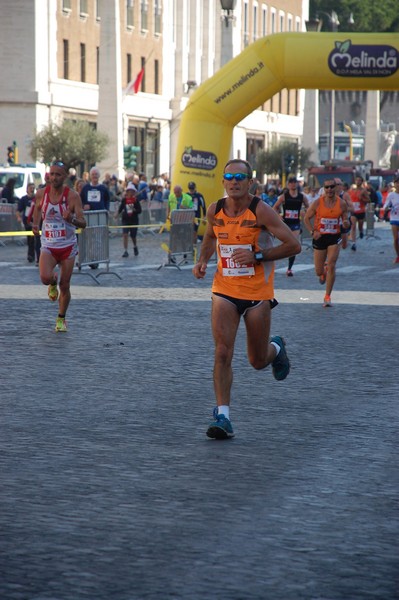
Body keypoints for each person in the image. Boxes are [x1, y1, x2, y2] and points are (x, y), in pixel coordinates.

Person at [193, 159, 301, 439]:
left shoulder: (261, 210)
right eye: (229, 176)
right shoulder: (215, 208)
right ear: (223, 181)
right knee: (222, 351)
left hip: (257, 294)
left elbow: (294, 245)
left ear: (250, 182)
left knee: (256, 360)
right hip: (225, 289)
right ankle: (223, 417)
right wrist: (202, 260)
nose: (234, 181)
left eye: (240, 177)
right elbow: (208, 236)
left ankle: (276, 349)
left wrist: (257, 256)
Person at [32, 160, 86, 332]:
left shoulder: (72, 196)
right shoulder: (41, 193)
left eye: (58, 174)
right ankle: (52, 282)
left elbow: (83, 223)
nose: (53, 177)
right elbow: (37, 210)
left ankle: (61, 318)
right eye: (51, 174)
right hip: (48, 245)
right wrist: (35, 224)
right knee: (45, 278)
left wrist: (71, 219)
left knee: (66, 284)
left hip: (68, 246)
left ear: (65, 177)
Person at [304, 178, 350, 308]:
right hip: (320, 237)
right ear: (324, 189)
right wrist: (313, 232)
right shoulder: (317, 203)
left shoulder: (341, 203)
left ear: (336, 188)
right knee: (318, 271)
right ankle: (322, 272)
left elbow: (345, 218)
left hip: (334, 237)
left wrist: (346, 223)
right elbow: (306, 218)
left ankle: (327, 296)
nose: (329, 190)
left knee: (331, 264)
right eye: (327, 187)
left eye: (332, 187)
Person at [273, 175, 309, 276]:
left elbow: (308, 207)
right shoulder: (284, 196)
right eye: (291, 183)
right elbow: (274, 207)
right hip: (285, 223)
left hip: (296, 223)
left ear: (297, 184)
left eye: (294, 183)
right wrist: (278, 216)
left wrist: (305, 212)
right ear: (288, 185)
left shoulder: (302, 197)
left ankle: (289, 268)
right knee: (286, 244)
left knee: (294, 244)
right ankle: (277, 257)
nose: (293, 185)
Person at [16, 182, 41, 264]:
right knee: (30, 239)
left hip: (36, 221)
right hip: (27, 221)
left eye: (33, 188)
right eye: (30, 188)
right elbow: (18, 210)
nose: (32, 190)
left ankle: (37, 256)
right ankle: (31, 255)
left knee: (37, 239)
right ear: (27, 189)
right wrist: (19, 217)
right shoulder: (23, 199)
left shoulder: (37, 198)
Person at [117, 182, 142, 257]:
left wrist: (134, 210)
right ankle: (125, 251)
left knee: (133, 236)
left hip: (134, 220)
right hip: (125, 219)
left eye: (132, 191)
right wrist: (116, 214)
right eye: (129, 191)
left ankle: (135, 246)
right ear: (127, 192)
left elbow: (140, 210)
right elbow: (121, 208)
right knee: (125, 234)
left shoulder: (135, 200)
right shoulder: (124, 200)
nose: (130, 192)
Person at [349, 175, 370, 251]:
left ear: (362, 182)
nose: (358, 182)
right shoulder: (351, 190)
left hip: (361, 211)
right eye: (357, 180)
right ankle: (354, 243)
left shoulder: (364, 191)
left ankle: (361, 231)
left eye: (359, 180)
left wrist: (362, 199)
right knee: (353, 226)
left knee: (360, 225)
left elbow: (369, 200)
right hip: (353, 211)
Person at [334, 178, 354, 250]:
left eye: (339, 184)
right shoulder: (328, 195)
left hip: (343, 222)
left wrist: (341, 209)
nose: (337, 186)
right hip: (333, 222)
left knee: (344, 245)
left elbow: (352, 208)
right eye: (335, 185)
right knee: (332, 243)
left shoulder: (345, 195)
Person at [383, 176, 399, 263]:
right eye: (397, 183)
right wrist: (386, 208)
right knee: (396, 239)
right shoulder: (391, 195)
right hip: (394, 219)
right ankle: (398, 256)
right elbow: (386, 205)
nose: (398, 185)